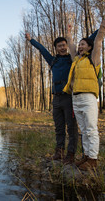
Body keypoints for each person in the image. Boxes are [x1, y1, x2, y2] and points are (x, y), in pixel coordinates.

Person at [63, 14, 105, 170]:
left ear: (89, 47)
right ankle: (86, 157)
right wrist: (68, 33)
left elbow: (98, 40)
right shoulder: (76, 60)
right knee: (83, 130)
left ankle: (93, 159)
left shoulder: (93, 59)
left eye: (83, 44)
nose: (80, 46)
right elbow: (70, 44)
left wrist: (103, 25)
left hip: (88, 97)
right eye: (79, 44)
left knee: (91, 128)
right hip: (75, 98)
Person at [25, 33, 77, 164]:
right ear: (56, 48)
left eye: (64, 45)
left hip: (69, 98)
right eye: (59, 46)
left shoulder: (73, 59)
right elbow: (42, 49)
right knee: (59, 127)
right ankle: (59, 152)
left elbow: (89, 44)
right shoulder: (53, 61)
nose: (62, 48)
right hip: (56, 99)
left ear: (67, 46)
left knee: (71, 128)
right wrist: (31, 40)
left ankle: (70, 154)